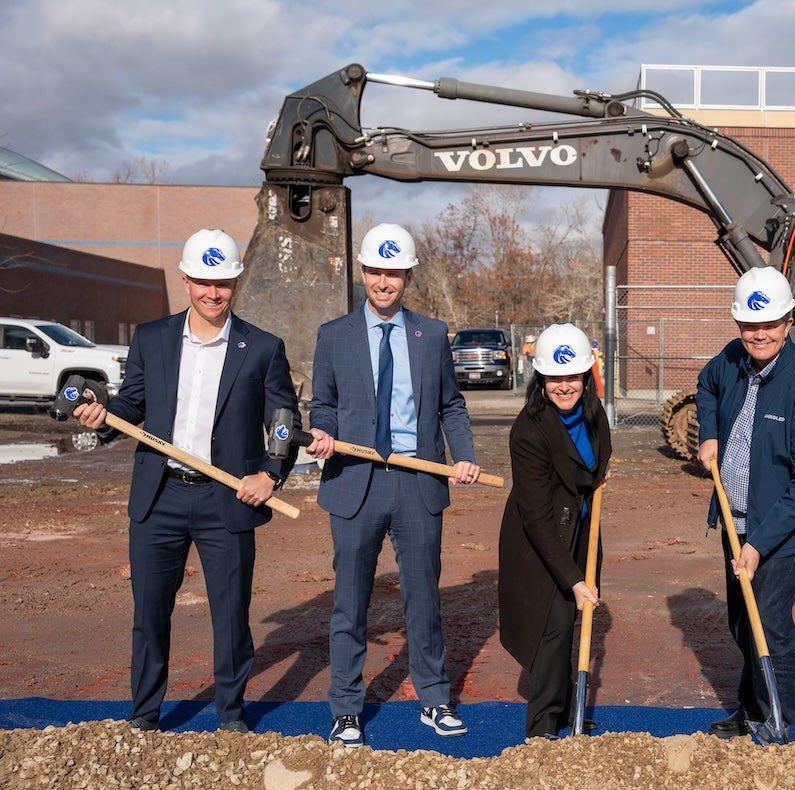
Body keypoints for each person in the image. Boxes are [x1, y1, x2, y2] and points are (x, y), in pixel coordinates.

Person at [71, 228, 299, 733]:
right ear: (186, 279)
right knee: (150, 612)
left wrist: (270, 473)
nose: (212, 293)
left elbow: (283, 420)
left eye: (222, 283)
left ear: (235, 282)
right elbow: (132, 404)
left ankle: (231, 717)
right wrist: (104, 416)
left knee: (231, 617)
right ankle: (145, 716)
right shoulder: (152, 338)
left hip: (228, 499)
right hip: (160, 496)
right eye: (202, 281)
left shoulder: (262, 347)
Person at [304, 222, 482, 748]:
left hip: (417, 481)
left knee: (424, 597)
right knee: (350, 600)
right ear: (363, 273)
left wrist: (464, 456)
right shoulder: (333, 335)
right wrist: (323, 433)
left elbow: (451, 405)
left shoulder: (431, 334)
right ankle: (345, 709)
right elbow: (324, 405)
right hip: (355, 482)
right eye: (375, 271)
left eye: (394, 273)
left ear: (408, 276)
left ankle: (433, 699)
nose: (384, 282)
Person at [695, 266, 795, 741]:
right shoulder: (733, 359)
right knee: (743, 621)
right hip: (735, 521)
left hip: (780, 530)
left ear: (788, 323)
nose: (758, 334)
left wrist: (759, 544)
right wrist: (711, 435)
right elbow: (706, 386)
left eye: (769, 324)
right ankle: (751, 709)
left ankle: (784, 722)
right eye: (749, 325)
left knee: (770, 625)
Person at [497, 323, 612, 739]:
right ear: (541, 378)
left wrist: (599, 474)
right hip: (538, 538)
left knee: (572, 622)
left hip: (578, 529)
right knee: (552, 626)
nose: (564, 386)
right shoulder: (528, 431)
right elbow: (536, 516)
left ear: (585, 376)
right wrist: (572, 579)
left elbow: (600, 456)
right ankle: (542, 728)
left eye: (572, 376)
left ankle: (565, 712)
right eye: (555, 377)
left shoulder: (594, 415)